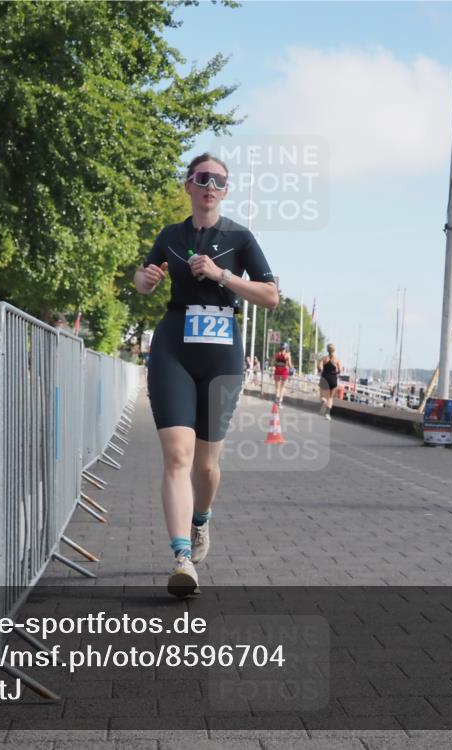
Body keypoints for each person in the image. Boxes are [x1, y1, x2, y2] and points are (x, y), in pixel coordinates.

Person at [133, 153, 278, 597]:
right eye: (202, 178)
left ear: (225, 190)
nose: (210, 185)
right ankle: (181, 559)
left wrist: (222, 275)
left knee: (206, 464)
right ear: (189, 186)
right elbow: (141, 281)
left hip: (221, 351)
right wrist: (147, 279)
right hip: (175, 344)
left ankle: (201, 520)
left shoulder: (239, 236)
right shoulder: (171, 236)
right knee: (177, 455)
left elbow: (271, 296)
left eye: (218, 180)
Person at [317, 343, 341, 420]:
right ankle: (327, 414)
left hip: (325, 378)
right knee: (330, 397)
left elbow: (319, 368)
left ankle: (324, 403)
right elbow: (339, 371)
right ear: (334, 350)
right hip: (333, 379)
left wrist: (320, 369)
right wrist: (335, 372)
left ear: (327, 350)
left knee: (322, 397)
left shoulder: (323, 359)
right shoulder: (337, 359)